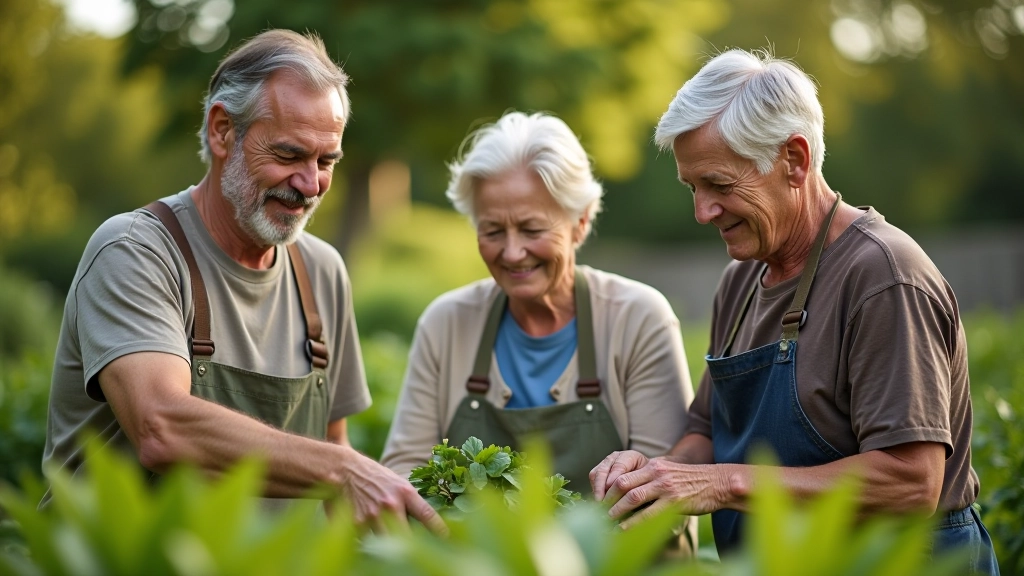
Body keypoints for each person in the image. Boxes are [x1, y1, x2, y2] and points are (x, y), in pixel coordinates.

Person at [588, 49, 999, 573]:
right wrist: (657, 474)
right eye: (693, 187)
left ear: (795, 161)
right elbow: (707, 429)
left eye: (719, 184)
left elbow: (911, 481)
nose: (701, 212)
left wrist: (723, 483)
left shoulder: (883, 276)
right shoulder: (741, 279)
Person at [41, 29, 444, 534]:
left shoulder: (321, 272)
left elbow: (330, 447)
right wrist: (343, 470)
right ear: (222, 131)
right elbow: (161, 426)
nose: (311, 183)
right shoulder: (136, 251)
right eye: (289, 155)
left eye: (326, 162)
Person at [379, 110, 696, 550]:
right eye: (492, 230)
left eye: (531, 228)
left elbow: (663, 493)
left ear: (580, 221)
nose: (512, 252)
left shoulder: (638, 317)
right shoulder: (446, 322)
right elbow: (404, 472)